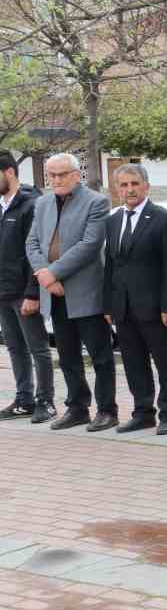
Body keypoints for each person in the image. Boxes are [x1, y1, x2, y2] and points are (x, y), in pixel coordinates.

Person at [26, 153, 117, 432]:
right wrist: (45, 275)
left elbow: (89, 245)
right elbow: (32, 243)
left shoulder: (96, 202)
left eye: (62, 174)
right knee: (67, 356)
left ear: (77, 174)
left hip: (86, 293)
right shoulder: (41, 203)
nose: (56, 179)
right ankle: (77, 407)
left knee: (100, 356)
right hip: (54, 293)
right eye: (51, 175)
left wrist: (53, 273)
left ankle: (106, 410)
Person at [100, 164, 167, 435]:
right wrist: (108, 304)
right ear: (117, 190)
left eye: (134, 183)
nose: (129, 190)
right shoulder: (112, 221)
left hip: (155, 307)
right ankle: (143, 412)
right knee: (134, 363)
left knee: (165, 362)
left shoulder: (163, 219)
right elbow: (110, 266)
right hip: (123, 307)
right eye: (123, 185)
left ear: (145, 186)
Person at [0, 153, 53, 424]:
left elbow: (36, 252)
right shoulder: (1, 205)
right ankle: (24, 400)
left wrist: (33, 292)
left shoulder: (30, 204)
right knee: (15, 348)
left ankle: (46, 401)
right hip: (3, 292)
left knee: (38, 348)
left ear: (9, 172)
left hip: (24, 292)